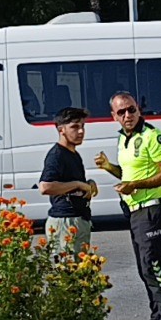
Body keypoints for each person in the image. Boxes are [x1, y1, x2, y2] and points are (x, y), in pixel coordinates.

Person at [94, 92, 161, 320]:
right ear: (114, 116)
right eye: (120, 112)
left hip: (154, 210)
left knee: (155, 269)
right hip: (134, 212)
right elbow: (129, 174)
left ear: (138, 109)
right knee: (145, 270)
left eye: (131, 110)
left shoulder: (152, 136)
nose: (127, 116)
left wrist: (136, 185)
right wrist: (109, 167)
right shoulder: (124, 138)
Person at [37, 107, 98, 254]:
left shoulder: (73, 154)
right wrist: (77, 185)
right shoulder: (56, 155)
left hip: (78, 218)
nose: (81, 131)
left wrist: (88, 184)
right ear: (61, 129)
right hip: (64, 221)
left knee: (80, 271)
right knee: (67, 272)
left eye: (83, 126)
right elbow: (45, 187)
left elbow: (72, 181)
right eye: (75, 127)